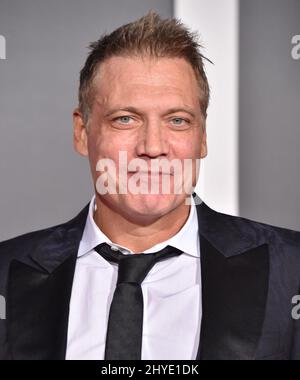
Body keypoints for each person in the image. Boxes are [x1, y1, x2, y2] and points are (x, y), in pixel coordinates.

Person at [0, 11, 300, 361]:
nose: (153, 146)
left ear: (202, 137)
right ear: (82, 133)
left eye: (177, 120)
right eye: (125, 119)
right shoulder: (6, 271)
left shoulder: (291, 270)